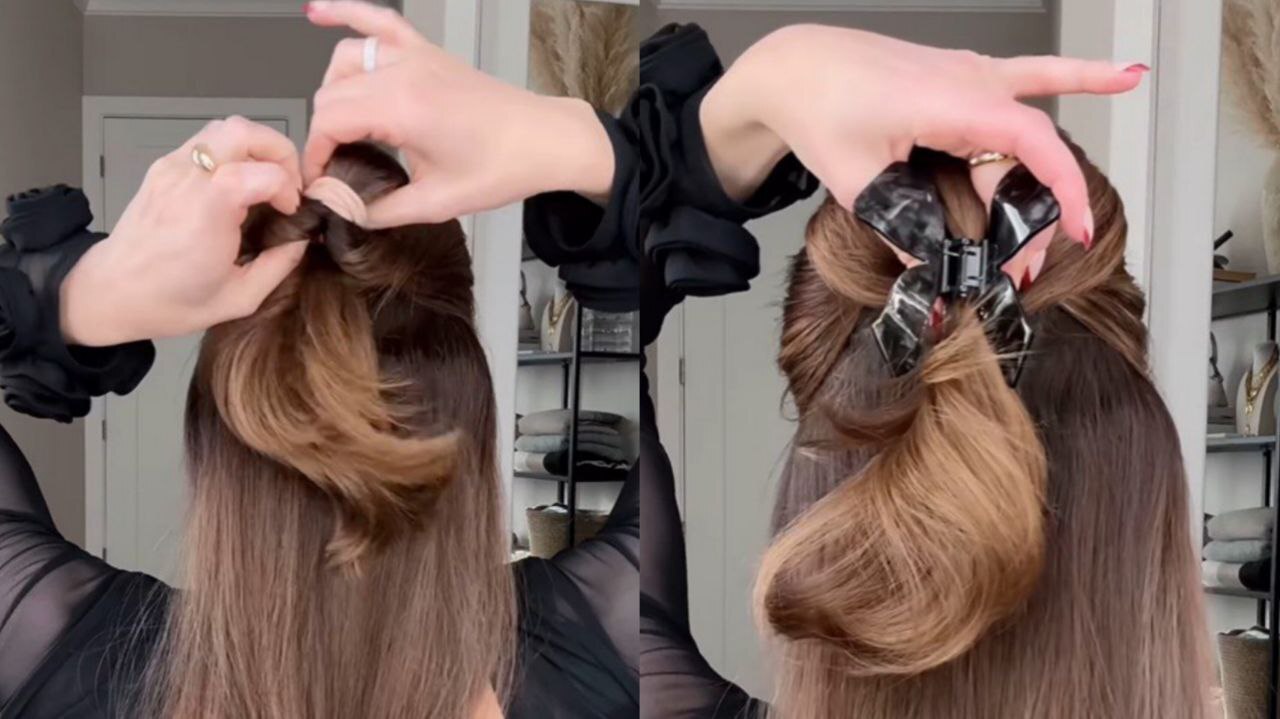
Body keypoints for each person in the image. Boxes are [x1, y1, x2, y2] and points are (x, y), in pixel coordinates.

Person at [0, 2, 1148, 717]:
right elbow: (634, 285)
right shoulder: (599, 649)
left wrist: (92, 294)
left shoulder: (51, 651)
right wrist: (602, 131)